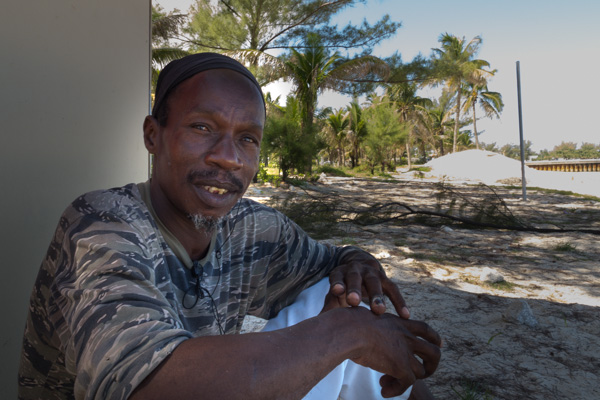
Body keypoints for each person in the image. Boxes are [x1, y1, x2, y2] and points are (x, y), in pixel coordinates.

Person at [18, 53, 441, 400]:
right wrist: (346, 334)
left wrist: (361, 268)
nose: (229, 157)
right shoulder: (102, 223)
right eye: (202, 127)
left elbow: (338, 260)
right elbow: (145, 389)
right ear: (153, 135)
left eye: (247, 139)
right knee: (347, 325)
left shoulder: (253, 226)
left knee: (350, 298)